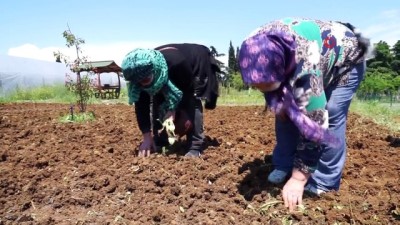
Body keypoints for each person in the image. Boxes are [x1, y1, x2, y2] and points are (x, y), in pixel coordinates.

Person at [238, 18, 370, 211]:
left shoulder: (304, 65)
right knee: (283, 112)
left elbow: (316, 124)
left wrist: (299, 179)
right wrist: (275, 99)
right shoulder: (251, 47)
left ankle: (324, 181)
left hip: (347, 58)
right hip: (304, 59)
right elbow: (265, 81)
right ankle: (284, 163)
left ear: (281, 69)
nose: (261, 90)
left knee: (331, 113)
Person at [121, 43, 220, 158]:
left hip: (193, 63)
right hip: (167, 70)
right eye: (139, 83)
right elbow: (142, 107)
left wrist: (173, 109)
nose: (142, 84)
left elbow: (187, 90)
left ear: (155, 70)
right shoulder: (139, 76)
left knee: (192, 99)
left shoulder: (177, 63)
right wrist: (147, 137)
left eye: (146, 80)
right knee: (158, 98)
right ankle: (162, 138)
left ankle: (195, 144)